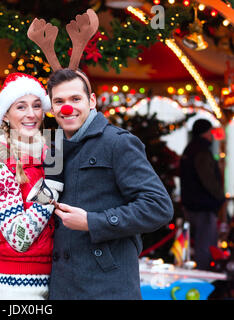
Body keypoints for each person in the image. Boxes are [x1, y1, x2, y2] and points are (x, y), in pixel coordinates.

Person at [46, 68, 174, 299]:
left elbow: (158, 207)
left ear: (91, 100)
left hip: (106, 287)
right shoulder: (51, 148)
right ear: (52, 107)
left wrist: (93, 222)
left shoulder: (117, 143)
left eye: (76, 99)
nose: (67, 107)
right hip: (63, 286)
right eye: (59, 101)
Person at [0, 72, 63, 300]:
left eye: (36, 106)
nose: (31, 114)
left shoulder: (49, 157)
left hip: (60, 278)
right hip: (19, 286)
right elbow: (18, 238)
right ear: (6, 115)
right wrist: (49, 191)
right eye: (21, 107)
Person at [180, 119, 225, 270]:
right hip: (203, 205)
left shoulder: (190, 149)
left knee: (200, 243)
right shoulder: (201, 151)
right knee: (206, 245)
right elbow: (208, 179)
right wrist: (219, 197)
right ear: (206, 132)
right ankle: (206, 280)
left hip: (192, 203)